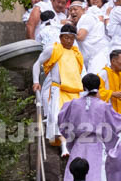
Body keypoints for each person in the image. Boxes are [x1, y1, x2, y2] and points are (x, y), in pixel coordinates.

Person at [59, 73, 121, 181]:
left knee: (75, 174)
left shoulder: (73, 104)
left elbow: (62, 122)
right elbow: (117, 123)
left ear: (83, 87)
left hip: (78, 144)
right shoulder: (103, 106)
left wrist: (71, 137)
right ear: (99, 87)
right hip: (97, 145)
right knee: (96, 174)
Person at [33, 24, 85, 152]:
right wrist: (36, 81)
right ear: (61, 37)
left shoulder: (76, 53)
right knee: (57, 117)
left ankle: (71, 146)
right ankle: (63, 147)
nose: (68, 41)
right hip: (58, 89)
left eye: (71, 38)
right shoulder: (53, 49)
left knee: (74, 119)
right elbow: (37, 63)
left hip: (73, 91)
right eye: (66, 38)